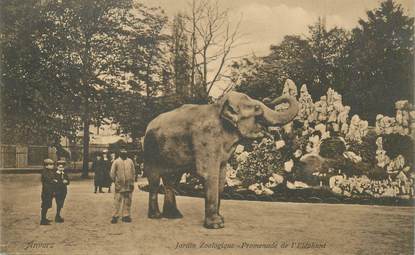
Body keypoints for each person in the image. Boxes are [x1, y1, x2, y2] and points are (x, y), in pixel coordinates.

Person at [110, 148, 135, 223]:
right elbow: (112, 173)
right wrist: (115, 181)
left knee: (128, 201)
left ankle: (126, 215)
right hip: (119, 185)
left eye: (125, 152)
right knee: (117, 200)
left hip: (128, 184)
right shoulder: (116, 162)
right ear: (120, 153)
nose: (124, 154)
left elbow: (133, 172)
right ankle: (115, 216)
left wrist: (132, 182)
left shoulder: (130, 161)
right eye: (122, 152)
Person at [40, 158, 57, 225]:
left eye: (52, 164)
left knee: (47, 205)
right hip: (46, 191)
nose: (52, 166)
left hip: (50, 191)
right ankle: (43, 220)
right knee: (45, 205)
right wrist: (53, 181)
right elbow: (48, 180)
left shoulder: (50, 171)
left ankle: (44, 218)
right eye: (50, 164)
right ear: (46, 165)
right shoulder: (45, 172)